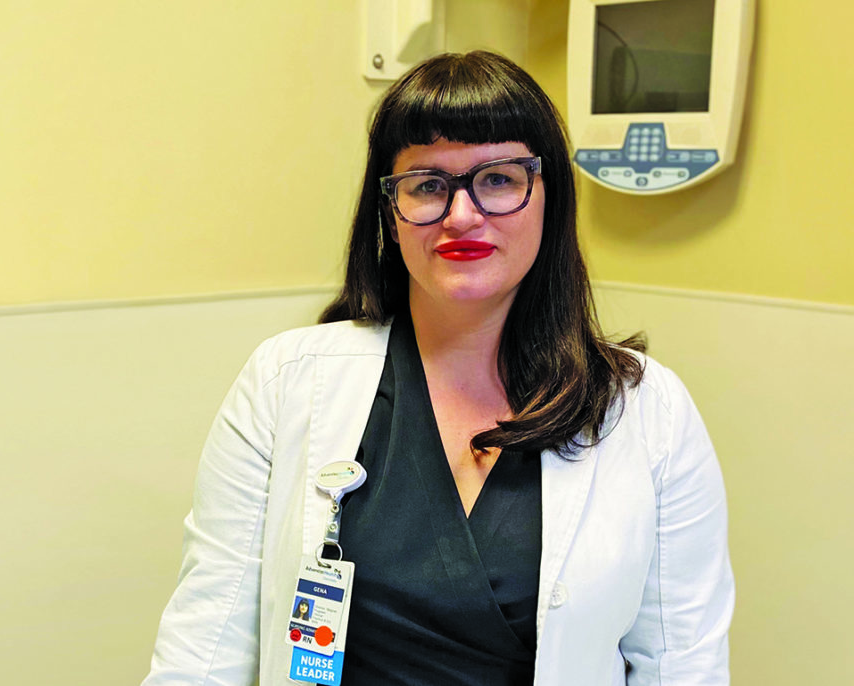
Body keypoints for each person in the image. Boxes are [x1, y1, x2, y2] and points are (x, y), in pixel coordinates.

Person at [142, 51, 733, 685]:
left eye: (499, 178)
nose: (462, 215)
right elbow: (205, 644)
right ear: (388, 216)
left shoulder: (648, 410)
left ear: (549, 197)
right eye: (427, 185)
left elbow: (682, 662)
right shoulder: (286, 381)